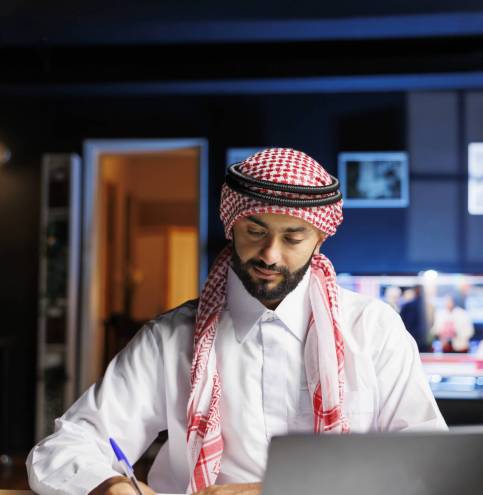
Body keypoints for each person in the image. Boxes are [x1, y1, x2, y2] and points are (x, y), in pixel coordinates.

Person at [27, 148, 447, 495]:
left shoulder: (373, 331)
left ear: (320, 238)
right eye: (255, 231)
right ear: (231, 225)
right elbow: (62, 450)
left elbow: (428, 464)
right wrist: (112, 488)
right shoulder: (170, 339)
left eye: (292, 238)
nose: (270, 255)